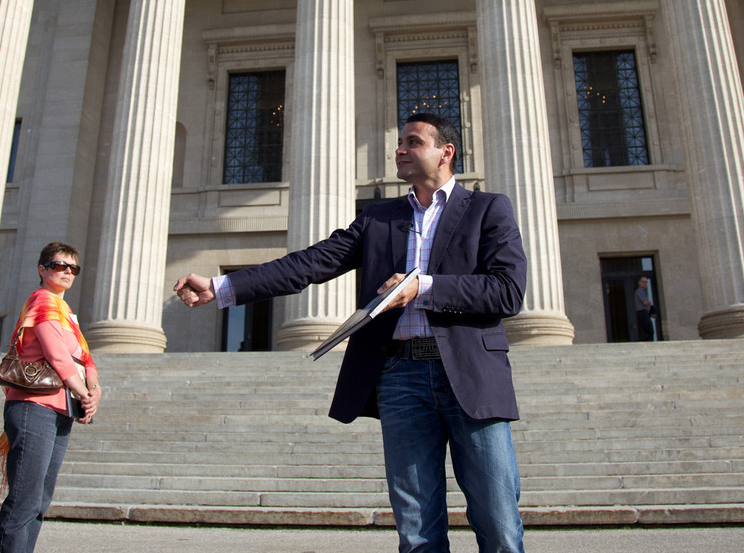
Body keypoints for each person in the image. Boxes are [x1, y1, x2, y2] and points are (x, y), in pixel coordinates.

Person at [176, 112, 527, 553]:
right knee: (417, 528)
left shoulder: (487, 209)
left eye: (413, 142)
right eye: (400, 141)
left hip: (471, 377)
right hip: (400, 378)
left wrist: (423, 287)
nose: (400, 149)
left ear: (446, 152)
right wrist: (222, 286)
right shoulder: (379, 219)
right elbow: (309, 263)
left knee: (497, 520)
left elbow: (507, 291)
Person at [0, 241, 101, 553]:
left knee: (40, 501)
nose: (67, 272)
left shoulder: (66, 312)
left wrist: (94, 389)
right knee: (24, 499)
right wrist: (84, 393)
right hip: (32, 406)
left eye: (72, 268)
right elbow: (58, 356)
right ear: (42, 269)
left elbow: (86, 359)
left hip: (62, 409)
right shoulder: (42, 301)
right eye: (58, 265)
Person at [635, 277, 654, 342]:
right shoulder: (640, 291)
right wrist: (650, 302)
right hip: (642, 312)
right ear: (639, 283)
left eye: (646, 282)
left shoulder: (643, 291)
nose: (645, 283)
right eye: (643, 282)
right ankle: (638, 342)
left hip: (644, 313)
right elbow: (645, 302)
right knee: (649, 331)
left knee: (648, 331)